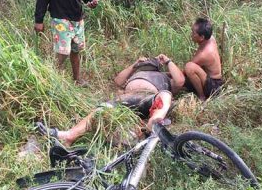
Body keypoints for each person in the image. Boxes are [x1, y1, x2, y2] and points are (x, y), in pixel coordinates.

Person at [46, 54, 186, 145]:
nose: (148, 59)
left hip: (150, 98)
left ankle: (153, 124)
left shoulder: (163, 76)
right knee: (102, 108)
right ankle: (70, 135)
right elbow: (118, 81)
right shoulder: (136, 73)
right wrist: (134, 64)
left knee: (166, 95)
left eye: (151, 59)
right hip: (126, 99)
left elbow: (180, 81)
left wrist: (167, 61)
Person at [183, 17, 224, 100]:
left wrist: (169, 73)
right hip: (213, 79)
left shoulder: (204, 54)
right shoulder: (210, 38)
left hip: (213, 86)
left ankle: (202, 96)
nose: (191, 35)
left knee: (189, 67)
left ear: (201, 37)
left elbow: (184, 72)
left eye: (193, 33)